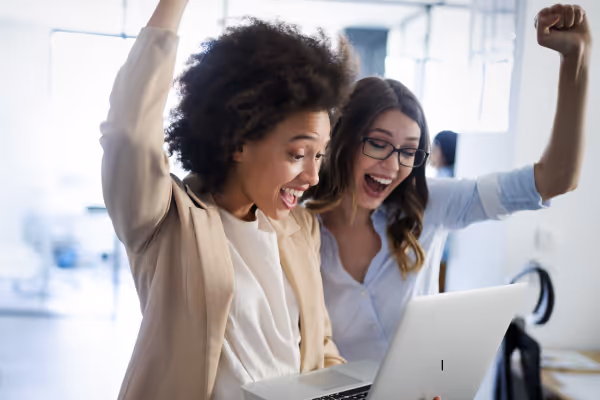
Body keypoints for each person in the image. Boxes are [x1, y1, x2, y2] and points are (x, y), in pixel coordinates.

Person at [305, 3, 591, 363]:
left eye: (409, 151)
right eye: (378, 143)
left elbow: (555, 179)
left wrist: (576, 61)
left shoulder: (429, 203)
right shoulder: (299, 228)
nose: (393, 166)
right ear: (344, 137)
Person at [100, 0, 357, 399]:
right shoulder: (167, 220)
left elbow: (321, 352)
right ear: (239, 141)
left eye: (319, 155)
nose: (312, 176)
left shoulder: (300, 230)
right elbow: (129, 133)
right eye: (297, 154)